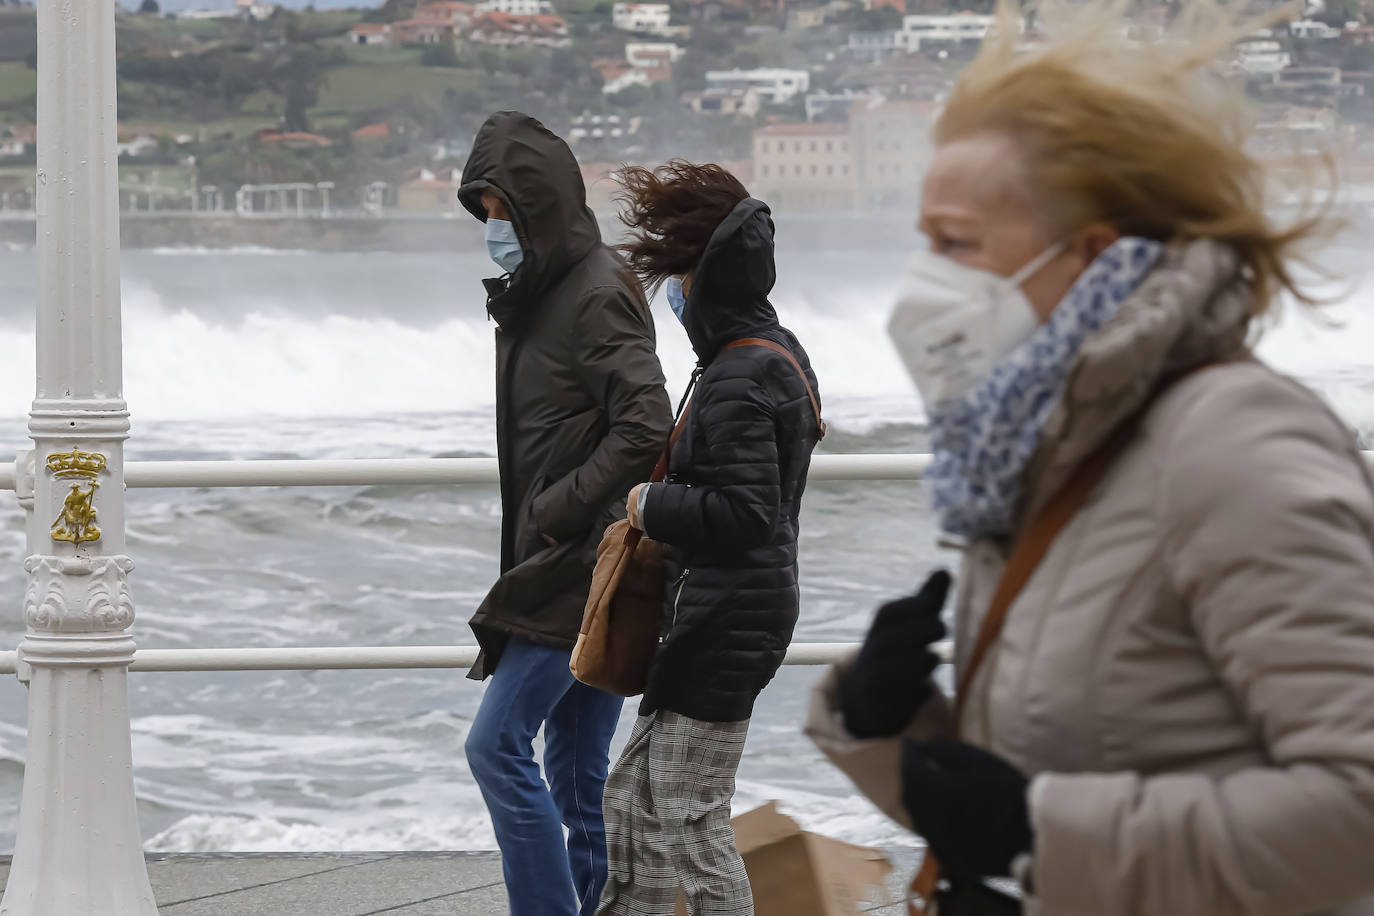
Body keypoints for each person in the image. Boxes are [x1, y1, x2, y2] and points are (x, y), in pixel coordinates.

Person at [806, 4, 1374, 916]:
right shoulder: (1048, 448)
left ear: (1095, 256)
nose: (925, 282)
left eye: (955, 243)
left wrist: (1039, 835)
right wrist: (892, 729)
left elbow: (1357, 814)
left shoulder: (1236, 445)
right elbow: (1072, 769)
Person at [456, 111, 673, 916]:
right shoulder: (541, 290)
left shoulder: (591, 292)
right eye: (482, 215)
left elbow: (647, 420)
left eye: (501, 213)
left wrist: (560, 506)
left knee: (495, 746)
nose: (492, 231)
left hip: (581, 562)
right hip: (564, 555)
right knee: (576, 771)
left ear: (537, 205)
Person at [597, 162, 824, 916]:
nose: (672, 290)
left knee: (689, 820)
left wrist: (648, 502)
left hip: (730, 618)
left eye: (678, 271)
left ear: (702, 278)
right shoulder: (767, 351)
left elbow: (746, 513)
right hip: (720, 612)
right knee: (635, 800)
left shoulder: (738, 374)